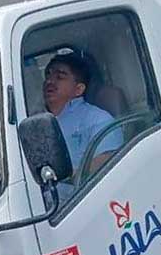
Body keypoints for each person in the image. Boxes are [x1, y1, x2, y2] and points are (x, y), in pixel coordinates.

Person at [43, 53, 123, 186]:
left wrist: (59, 177)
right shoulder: (39, 122)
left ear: (79, 89)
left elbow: (108, 164)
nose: (49, 81)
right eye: (48, 75)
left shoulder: (98, 119)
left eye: (59, 77)